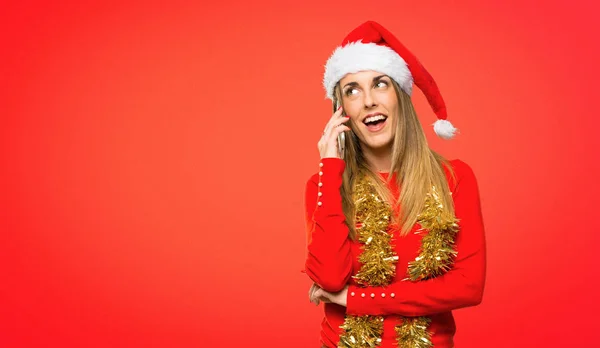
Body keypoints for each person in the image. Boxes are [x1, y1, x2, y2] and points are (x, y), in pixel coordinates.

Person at [303, 21, 486, 348]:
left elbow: (468, 287)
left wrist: (357, 299)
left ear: (401, 96)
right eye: (353, 90)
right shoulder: (324, 184)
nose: (369, 101)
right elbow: (329, 278)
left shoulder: (454, 179)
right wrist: (331, 167)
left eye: (380, 84)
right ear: (342, 110)